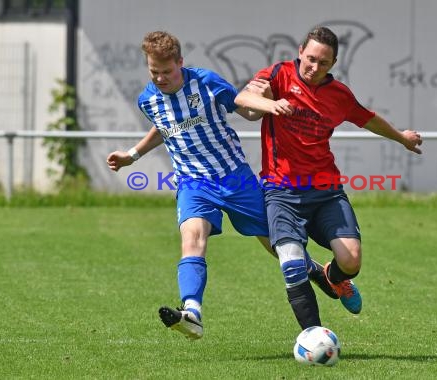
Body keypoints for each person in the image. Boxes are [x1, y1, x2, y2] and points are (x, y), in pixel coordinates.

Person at [105, 31, 353, 340]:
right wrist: (132, 155)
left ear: (180, 63)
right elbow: (166, 127)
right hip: (193, 182)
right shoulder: (147, 99)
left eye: (167, 72)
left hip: (235, 177)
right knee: (193, 238)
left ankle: (318, 272)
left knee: (279, 247)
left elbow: (240, 103)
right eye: (154, 72)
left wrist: (267, 104)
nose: (161, 78)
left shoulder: (206, 82)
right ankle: (191, 312)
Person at [235, 26, 423, 330]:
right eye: (310, 59)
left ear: (333, 64)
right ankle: (313, 335)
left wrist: (401, 137)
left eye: (323, 63)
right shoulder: (279, 74)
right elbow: (245, 98)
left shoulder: (339, 95)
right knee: (291, 265)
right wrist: (270, 103)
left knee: (351, 261)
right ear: (300, 51)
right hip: (281, 190)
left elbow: (368, 119)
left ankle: (332, 278)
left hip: (326, 191)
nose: (314, 67)